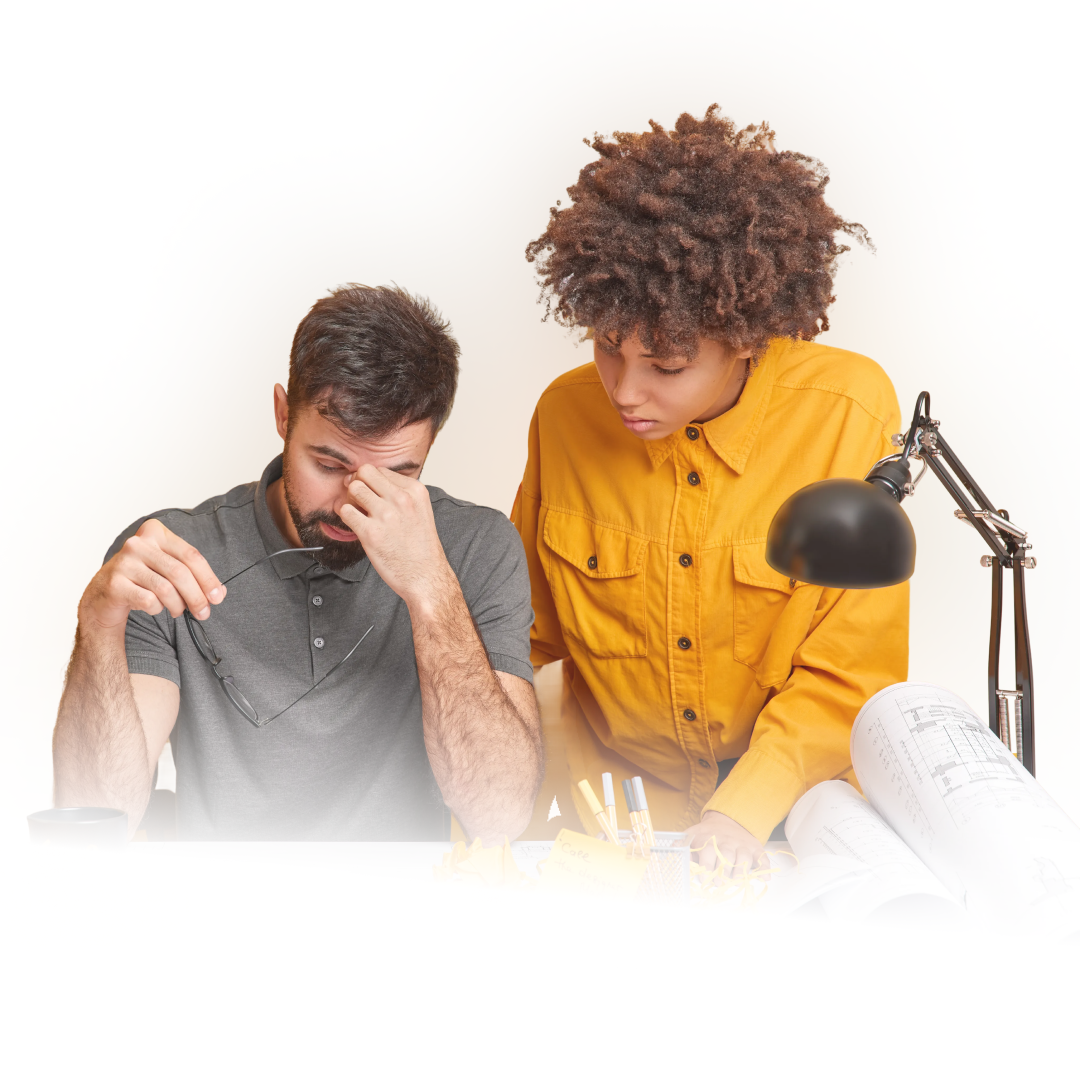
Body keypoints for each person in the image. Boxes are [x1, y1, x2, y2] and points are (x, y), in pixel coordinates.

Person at [512, 106, 909, 872]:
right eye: (606, 348)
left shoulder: (849, 413)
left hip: (798, 821)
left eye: (666, 366)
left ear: (748, 338)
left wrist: (741, 814)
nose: (625, 391)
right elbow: (525, 639)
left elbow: (849, 670)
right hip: (622, 828)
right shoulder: (565, 416)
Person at [53, 284, 542, 842]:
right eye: (329, 463)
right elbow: (98, 818)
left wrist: (430, 588)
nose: (351, 504)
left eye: (396, 477)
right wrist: (98, 622)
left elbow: (500, 816)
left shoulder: (475, 546)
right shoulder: (171, 553)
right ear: (284, 414)